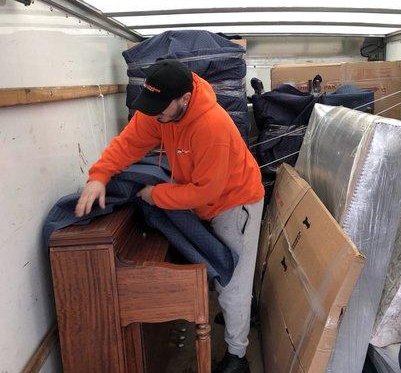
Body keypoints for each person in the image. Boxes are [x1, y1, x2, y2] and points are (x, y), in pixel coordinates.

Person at [75, 59, 264, 373]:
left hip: (236, 201)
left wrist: (156, 196)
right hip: (207, 198)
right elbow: (129, 142)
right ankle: (241, 313)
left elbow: (206, 191)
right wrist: (99, 176)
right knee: (226, 274)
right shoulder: (160, 111)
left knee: (234, 282)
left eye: (160, 108)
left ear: (184, 100)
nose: (154, 115)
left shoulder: (211, 125)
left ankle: (237, 356)